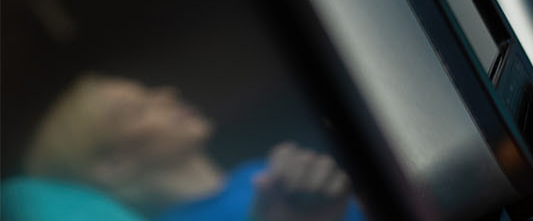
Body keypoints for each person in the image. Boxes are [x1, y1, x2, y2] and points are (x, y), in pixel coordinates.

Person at [15, 74, 358, 221]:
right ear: (113, 164)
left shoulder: (258, 172)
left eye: (148, 91)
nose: (166, 95)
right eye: (137, 110)